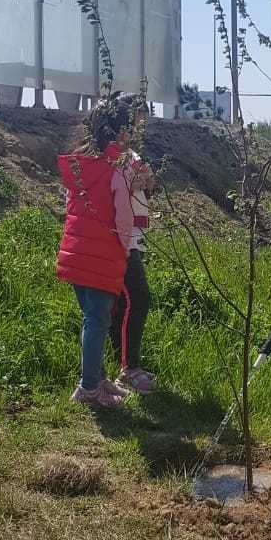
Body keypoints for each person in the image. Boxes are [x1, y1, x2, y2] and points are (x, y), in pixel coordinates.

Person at [56, 100, 135, 408]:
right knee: (98, 320)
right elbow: (124, 218)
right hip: (103, 254)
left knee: (92, 317)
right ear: (121, 133)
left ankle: (97, 376)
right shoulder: (118, 170)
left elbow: (68, 206)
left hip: (76, 253)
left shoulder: (79, 167)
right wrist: (125, 247)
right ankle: (89, 388)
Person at [110, 97, 158, 394]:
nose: (140, 128)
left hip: (131, 238)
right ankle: (128, 369)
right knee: (137, 299)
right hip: (121, 240)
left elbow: (146, 190)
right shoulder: (117, 157)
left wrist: (148, 184)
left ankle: (121, 361)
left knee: (122, 302)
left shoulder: (129, 154)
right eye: (137, 122)